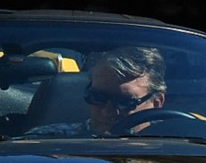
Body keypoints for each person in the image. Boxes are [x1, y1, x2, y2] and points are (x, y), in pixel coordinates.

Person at [25, 46, 167, 137]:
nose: (107, 111)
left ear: (156, 102)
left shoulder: (180, 142)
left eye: (124, 101)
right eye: (97, 97)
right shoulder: (46, 141)